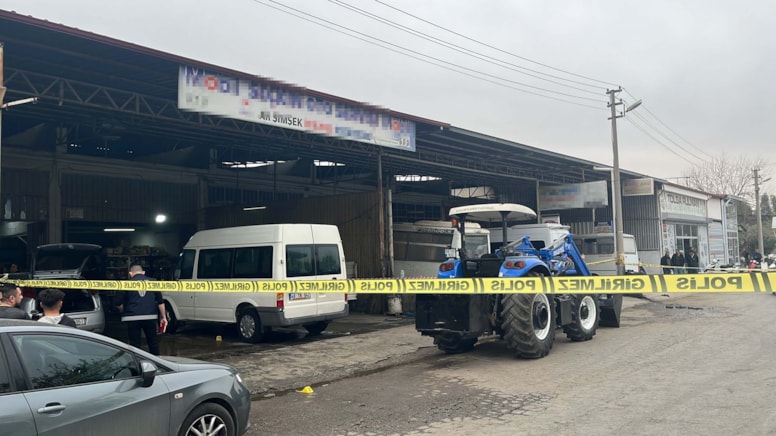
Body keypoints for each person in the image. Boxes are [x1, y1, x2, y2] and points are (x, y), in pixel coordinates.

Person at [117, 264, 167, 355]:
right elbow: (160, 302)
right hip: (150, 316)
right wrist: (163, 317)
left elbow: (118, 302)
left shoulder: (126, 284)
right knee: (153, 342)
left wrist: (121, 309)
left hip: (132, 317)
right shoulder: (153, 282)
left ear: (130, 273)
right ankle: (156, 360)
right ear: (143, 272)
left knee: (134, 345)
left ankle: (137, 362)